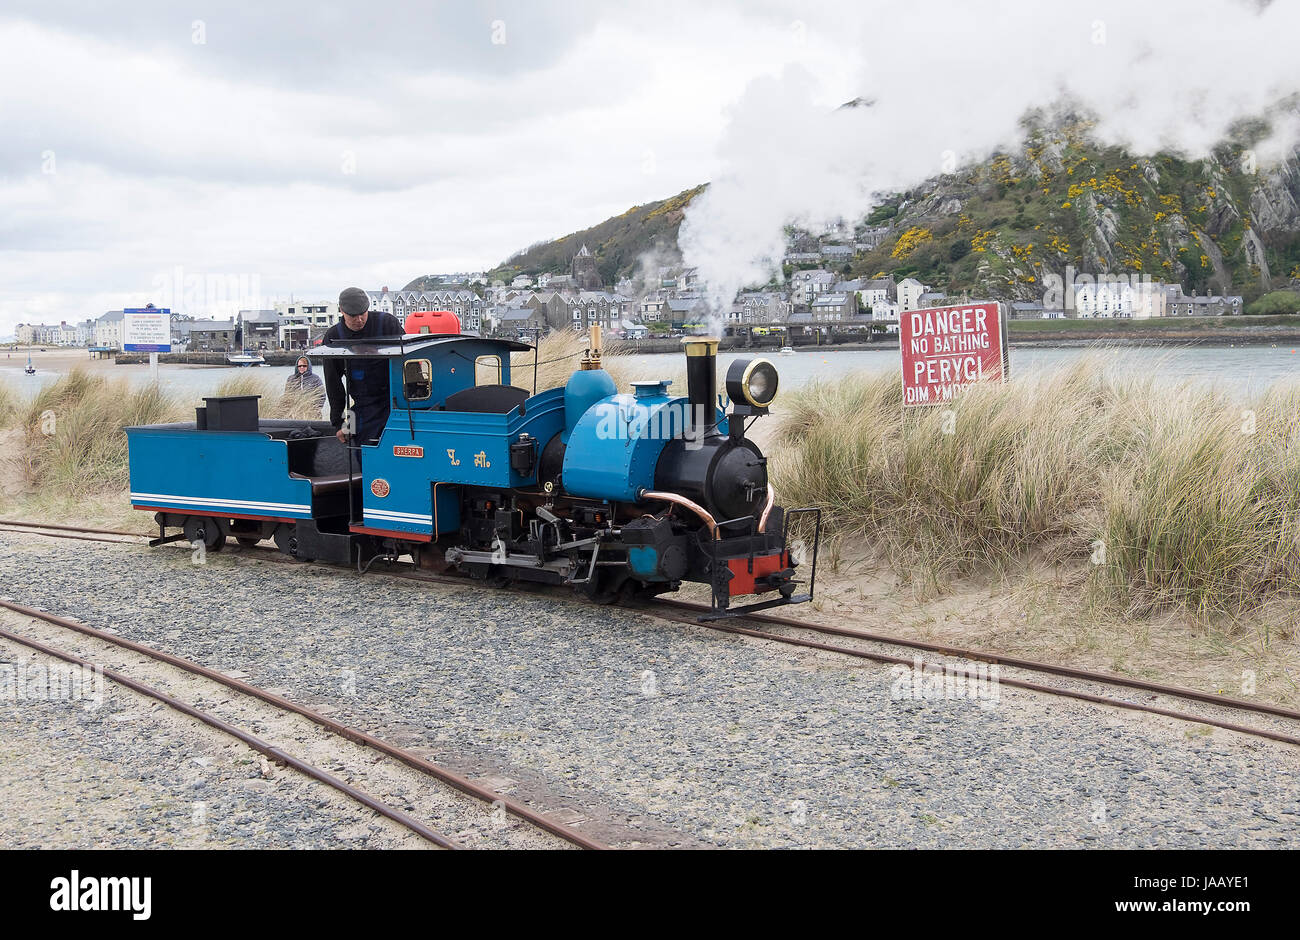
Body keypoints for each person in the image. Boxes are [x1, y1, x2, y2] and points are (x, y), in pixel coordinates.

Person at [321, 287, 405, 447]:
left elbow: (407, 364)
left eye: (363, 313)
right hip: (363, 404)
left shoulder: (388, 324)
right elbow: (334, 385)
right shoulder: (333, 337)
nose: (359, 319)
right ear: (341, 311)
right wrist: (339, 423)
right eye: (353, 316)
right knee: (363, 450)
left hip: (395, 401)